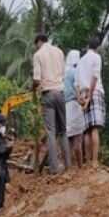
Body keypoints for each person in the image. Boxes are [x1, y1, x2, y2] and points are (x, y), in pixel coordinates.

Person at [33, 33, 70, 174]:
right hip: (60, 93)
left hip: (48, 94)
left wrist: (33, 89)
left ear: (38, 42)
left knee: (51, 132)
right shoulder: (59, 52)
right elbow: (62, 73)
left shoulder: (38, 55)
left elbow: (36, 79)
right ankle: (68, 166)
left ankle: (54, 168)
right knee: (63, 131)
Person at [77, 36, 105, 166]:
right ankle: (94, 161)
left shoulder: (81, 60)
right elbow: (95, 77)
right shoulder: (97, 57)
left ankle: (88, 161)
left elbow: (76, 82)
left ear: (88, 46)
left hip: (82, 93)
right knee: (94, 128)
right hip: (94, 92)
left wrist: (80, 97)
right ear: (98, 47)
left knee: (87, 129)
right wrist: (90, 95)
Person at [64, 49, 85, 167]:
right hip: (74, 105)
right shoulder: (76, 72)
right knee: (78, 138)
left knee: (67, 137)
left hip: (65, 107)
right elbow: (78, 88)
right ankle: (80, 166)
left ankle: (68, 166)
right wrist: (82, 100)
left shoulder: (64, 74)